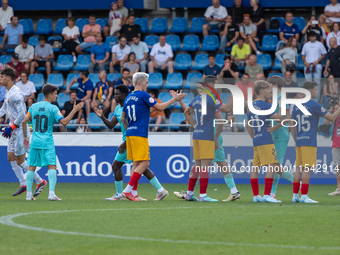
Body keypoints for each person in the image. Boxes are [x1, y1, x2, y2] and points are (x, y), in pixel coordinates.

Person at [120, 72, 186, 201]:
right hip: (140, 134)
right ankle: (128, 190)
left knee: (136, 163)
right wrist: (175, 99)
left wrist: (129, 130)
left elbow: (123, 118)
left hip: (130, 134)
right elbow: (160, 107)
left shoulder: (128, 97)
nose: (147, 84)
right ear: (140, 83)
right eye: (146, 82)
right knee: (145, 163)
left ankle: (133, 192)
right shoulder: (143, 95)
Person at [94, 85, 167, 201]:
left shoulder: (130, 106)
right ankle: (158, 190)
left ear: (123, 95)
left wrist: (125, 142)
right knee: (141, 167)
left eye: (116, 94)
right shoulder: (118, 108)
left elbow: (132, 126)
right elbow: (111, 125)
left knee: (117, 166)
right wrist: (102, 116)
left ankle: (121, 194)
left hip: (131, 140)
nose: (114, 97)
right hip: (129, 139)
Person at [173, 76, 240, 201]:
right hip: (207, 136)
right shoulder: (210, 99)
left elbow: (186, 113)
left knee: (197, 165)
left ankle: (189, 193)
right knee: (205, 166)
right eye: (214, 85)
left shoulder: (197, 99)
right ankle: (203, 195)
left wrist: (195, 125)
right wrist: (233, 94)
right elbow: (227, 109)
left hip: (197, 134)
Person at [22, 84, 84, 201]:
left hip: (35, 141)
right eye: (55, 93)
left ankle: (28, 195)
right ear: (50, 95)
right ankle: (51, 194)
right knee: (52, 166)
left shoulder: (33, 107)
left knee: (31, 167)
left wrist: (25, 137)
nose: (57, 96)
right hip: (47, 142)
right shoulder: (53, 108)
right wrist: (75, 110)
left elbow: (24, 121)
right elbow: (64, 122)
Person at [291, 81, 340, 203]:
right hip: (309, 141)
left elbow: (291, 125)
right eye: (315, 89)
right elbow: (332, 118)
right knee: (307, 168)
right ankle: (304, 196)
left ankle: (295, 195)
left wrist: (295, 139)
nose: (317, 91)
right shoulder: (314, 105)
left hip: (300, 140)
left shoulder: (296, 105)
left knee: (299, 168)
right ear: (309, 91)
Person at [0, 67, 46, 197]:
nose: (0, 79)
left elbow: (22, 115)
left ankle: (40, 181)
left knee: (20, 161)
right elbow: (4, 109)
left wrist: (12, 127)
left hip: (20, 130)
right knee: (10, 158)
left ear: (8, 78)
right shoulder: (7, 92)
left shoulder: (16, 94)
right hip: (13, 130)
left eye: (1, 77)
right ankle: (23, 184)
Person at [246, 80, 292, 203]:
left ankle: (256, 196)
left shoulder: (252, 106)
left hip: (256, 140)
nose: (269, 92)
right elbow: (279, 118)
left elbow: (247, 125)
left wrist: (254, 137)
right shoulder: (265, 105)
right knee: (272, 166)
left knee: (255, 168)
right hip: (266, 139)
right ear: (261, 91)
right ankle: (267, 195)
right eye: (267, 90)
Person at [266, 75, 295, 199]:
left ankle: (295, 182)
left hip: (280, 134)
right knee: (275, 164)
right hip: (277, 134)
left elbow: (288, 116)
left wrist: (275, 127)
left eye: (269, 85)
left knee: (275, 164)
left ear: (275, 85)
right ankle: (272, 193)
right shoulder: (276, 98)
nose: (268, 87)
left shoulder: (281, 98)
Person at [325, 103, 340, 196]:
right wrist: (331, 108)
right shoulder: (336, 111)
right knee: (338, 167)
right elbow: (327, 121)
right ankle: (339, 188)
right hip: (336, 142)